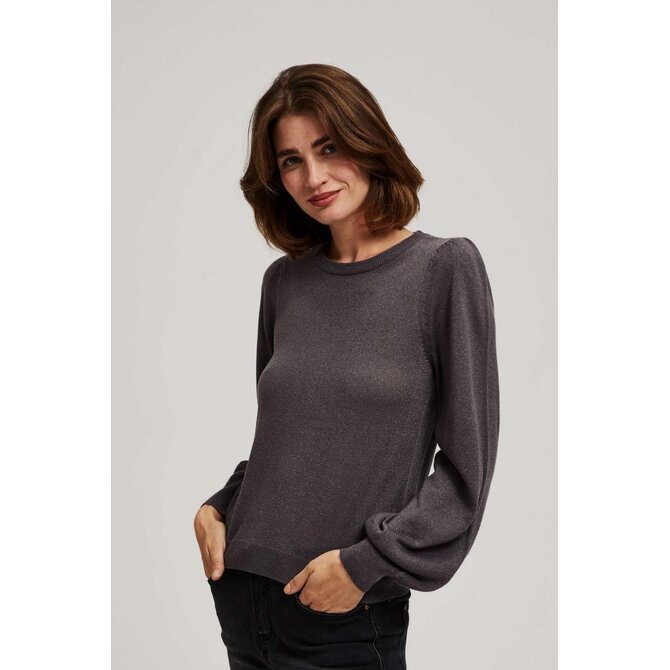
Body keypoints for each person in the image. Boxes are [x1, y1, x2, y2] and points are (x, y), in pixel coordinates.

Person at [193, 63, 500, 670]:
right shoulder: (284, 282)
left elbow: (468, 469)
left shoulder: (444, 269)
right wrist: (219, 505)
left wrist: (366, 564)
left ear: (367, 140)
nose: (313, 177)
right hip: (242, 595)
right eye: (291, 160)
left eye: (329, 148)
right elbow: (285, 441)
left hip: (342, 615)